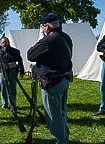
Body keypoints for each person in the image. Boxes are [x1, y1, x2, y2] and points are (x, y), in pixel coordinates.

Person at [27, 13, 73, 144]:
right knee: (61, 111)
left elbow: (30, 55)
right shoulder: (66, 37)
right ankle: (65, 137)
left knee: (54, 115)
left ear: (46, 26)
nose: (43, 28)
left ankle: (61, 140)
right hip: (64, 79)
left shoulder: (48, 40)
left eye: (43, 26)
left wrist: (40, 41)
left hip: (52, 83)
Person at [0, 37, 25, 110]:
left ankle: (13, 104)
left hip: (13, 71)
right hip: (2, 72)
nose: (5, 44)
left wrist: (22, 71)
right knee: (3, 88)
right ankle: (4, 105)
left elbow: (20, 61)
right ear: (1, 44)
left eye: (6, 42)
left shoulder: (15, 51)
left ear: (9, 42)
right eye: (3, 42)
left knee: (13, 88)